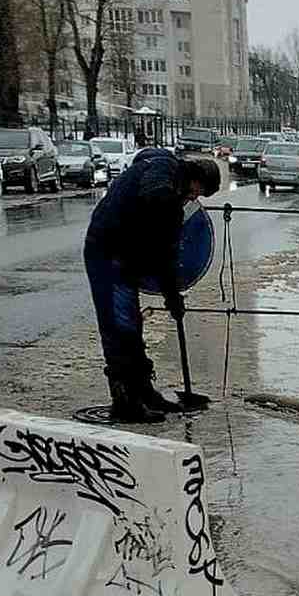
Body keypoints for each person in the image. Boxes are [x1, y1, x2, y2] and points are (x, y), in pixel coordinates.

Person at [84, 148, 221, 421]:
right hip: (107, 254)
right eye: (198, 190)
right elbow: (157, 218)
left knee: (132, 324)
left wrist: (172, 297)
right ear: (193, 176)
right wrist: (170, 213)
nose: (195, 197)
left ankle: (144, 392)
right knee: (118, 327)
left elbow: (165, 255)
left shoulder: (170, 190)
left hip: (126, 258)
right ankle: (125, 402)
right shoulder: (164, 172)